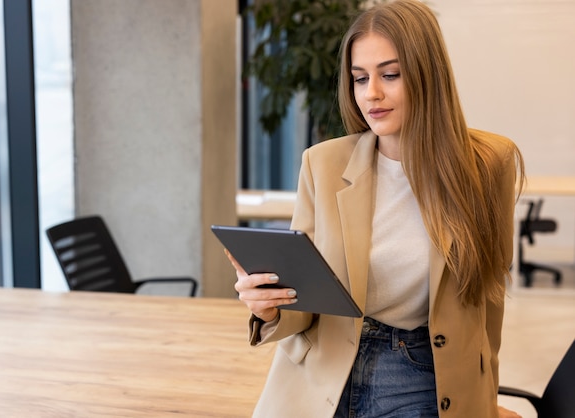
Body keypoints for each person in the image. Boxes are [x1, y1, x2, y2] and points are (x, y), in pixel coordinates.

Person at [225, 1, 525, 417]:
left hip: (418, 372)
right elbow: (306, 304)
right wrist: (269, 307)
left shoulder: (489, 164)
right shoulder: (323, 163)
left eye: (390, 75)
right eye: (359, 78)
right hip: (321, 370)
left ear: (428, 74)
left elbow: (487, 303)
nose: (372, 94)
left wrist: (482, 396)